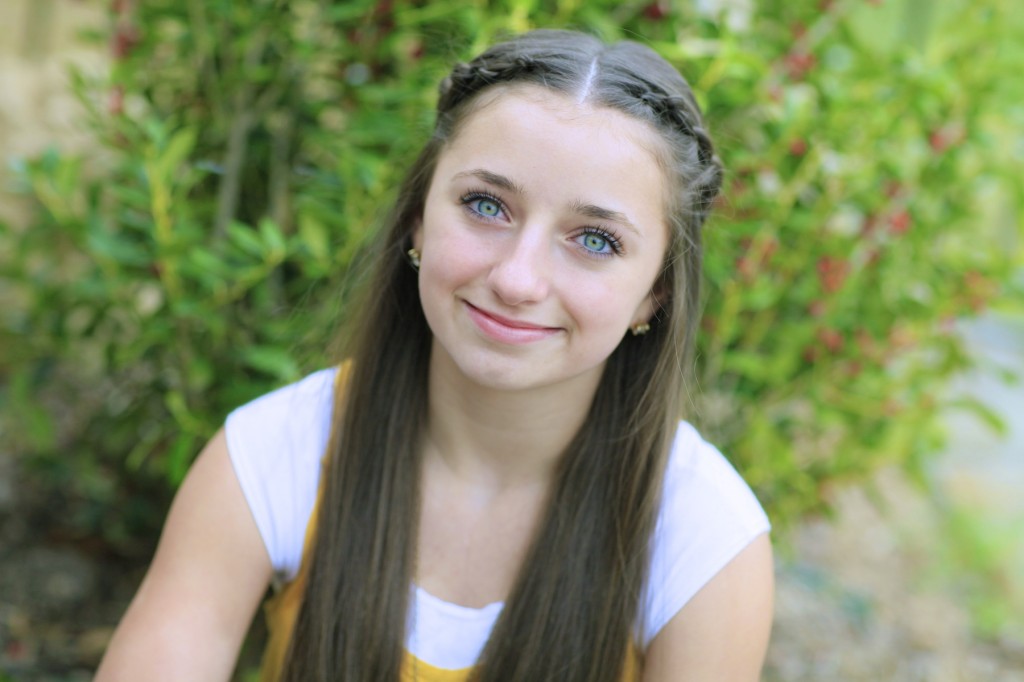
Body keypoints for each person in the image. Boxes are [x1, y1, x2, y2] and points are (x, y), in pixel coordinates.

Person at [95, 29, 773, 682]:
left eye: (595, 240)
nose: (516, 278)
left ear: (654, 292)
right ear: (418, 217)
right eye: (485, 205)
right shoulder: (276, 452)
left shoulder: (706, 539)